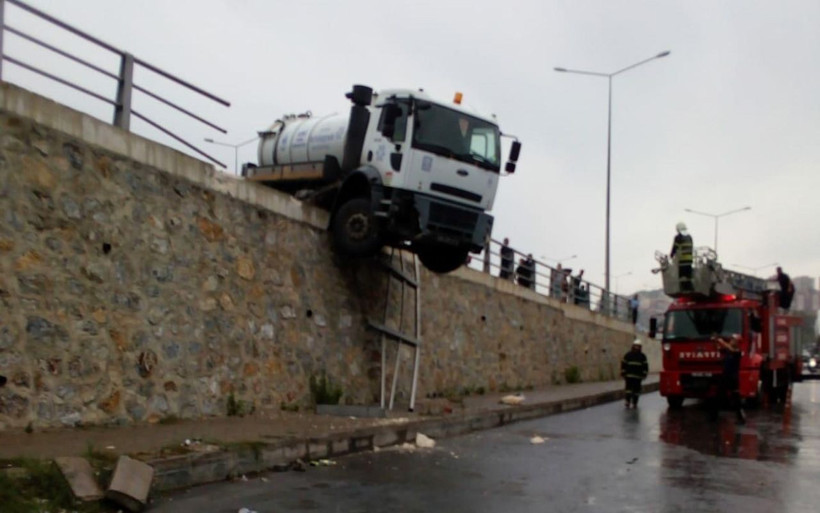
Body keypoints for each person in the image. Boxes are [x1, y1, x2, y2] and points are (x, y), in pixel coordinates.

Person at [712, 333, 745, 424]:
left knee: (736, 399)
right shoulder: (728, 351)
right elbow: (718, 348)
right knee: (718, 396)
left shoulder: (737, 352)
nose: (731, 341)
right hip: (725, 376)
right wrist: (715, 341)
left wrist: (722, 341)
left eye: (733, 339)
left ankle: (741, 418)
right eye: (731, 339)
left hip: (733, 378)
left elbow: (729, 348)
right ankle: (714, 417)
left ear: (737, 342)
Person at [621, 338, 649, 409]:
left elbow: (645, 366)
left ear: (640, 347)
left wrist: (644, 374)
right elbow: (623, 364)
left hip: (638, 377)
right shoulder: (628, 355)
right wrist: (623, 373)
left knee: (636, 391)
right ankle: (627, 401)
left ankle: (635, 403)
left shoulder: (642, 356)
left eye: (638, 346)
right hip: (629, 376)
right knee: (628, 390)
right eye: (635, 346)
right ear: (633, 346)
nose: (636, 347)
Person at [670, 221, 693, 291]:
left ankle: (683, 288)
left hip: (682, 259)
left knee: (681, 275)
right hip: (689, 259)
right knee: (688, 275)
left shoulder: (678, 237)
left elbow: (675, 247)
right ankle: (690, 288)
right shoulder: (689, 237)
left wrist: (671, 255)